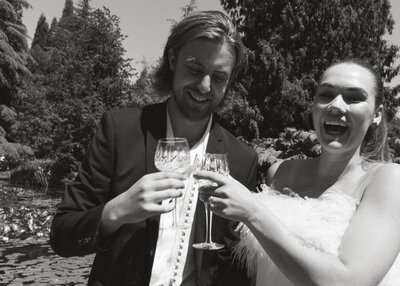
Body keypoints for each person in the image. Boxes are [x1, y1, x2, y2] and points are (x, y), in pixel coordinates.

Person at [50, 10, 258, 286]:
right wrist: (116, 211)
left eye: (219, 77)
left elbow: (238, 268)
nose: (205, 86)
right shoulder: (120, 131)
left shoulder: (242, 160)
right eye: (195, 69)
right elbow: (61, 236)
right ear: (173, 59)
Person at [195, 58, 400, 285]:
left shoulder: (387, 180)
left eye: (354, 98)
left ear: (377, 114)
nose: (336, 105)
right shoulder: (281, 172)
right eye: (326, 94)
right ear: (314, 106)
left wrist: (252, 212)